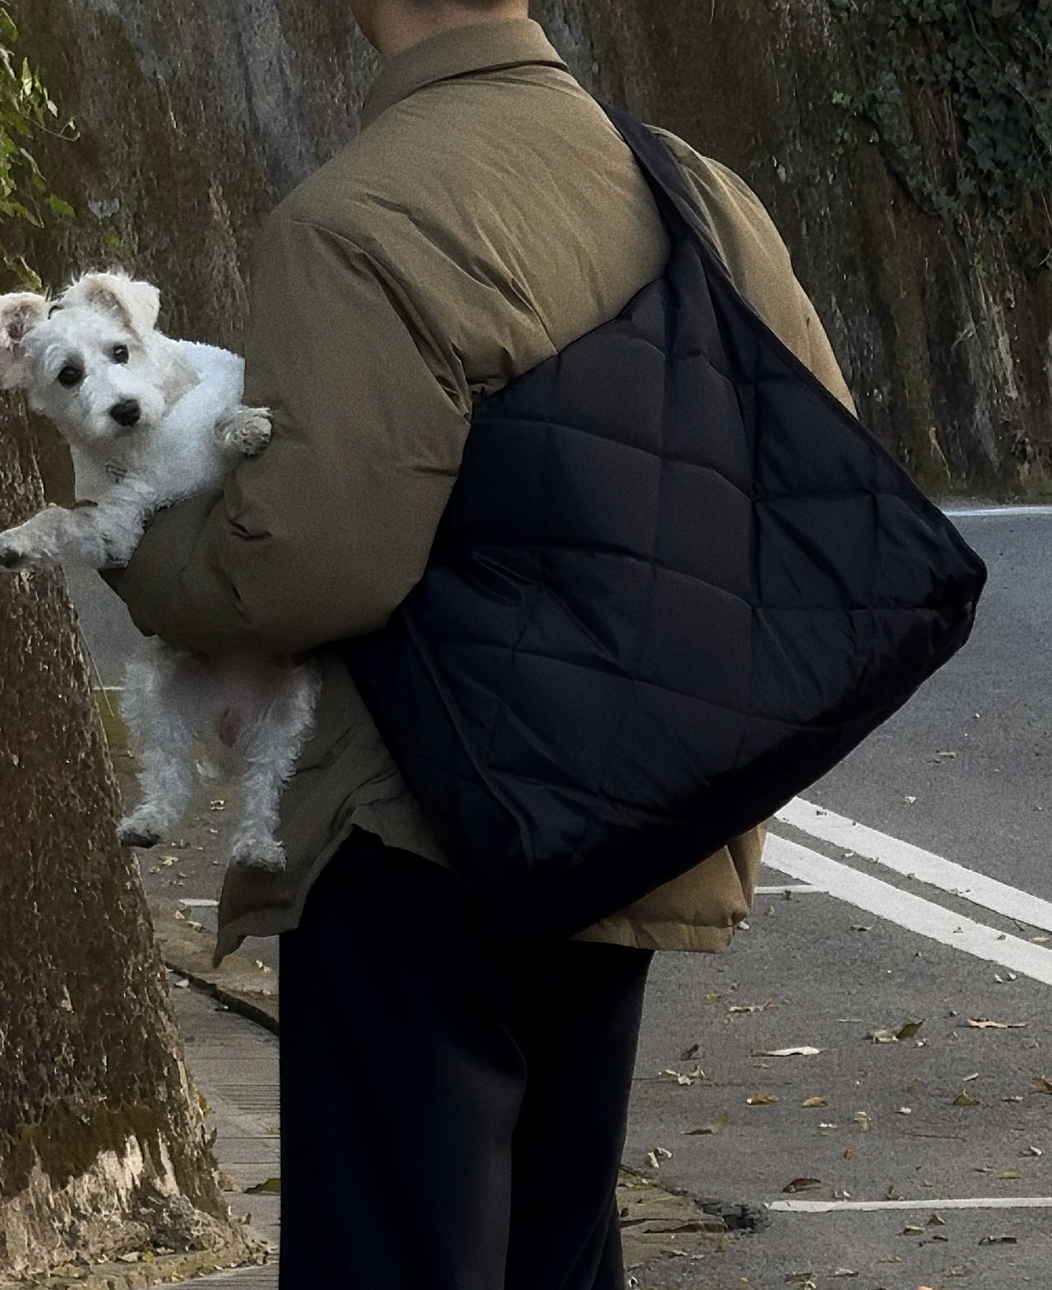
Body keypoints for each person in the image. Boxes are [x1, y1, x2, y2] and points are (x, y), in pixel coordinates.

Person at [108, 1, 854, 1285]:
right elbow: (818, 463)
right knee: (558, 1244)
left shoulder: (357, 222)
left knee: (400, 1248)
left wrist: (133, 544)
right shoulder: (697, 191)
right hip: (628, 821)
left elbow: (310, 558)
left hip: (416, 832)